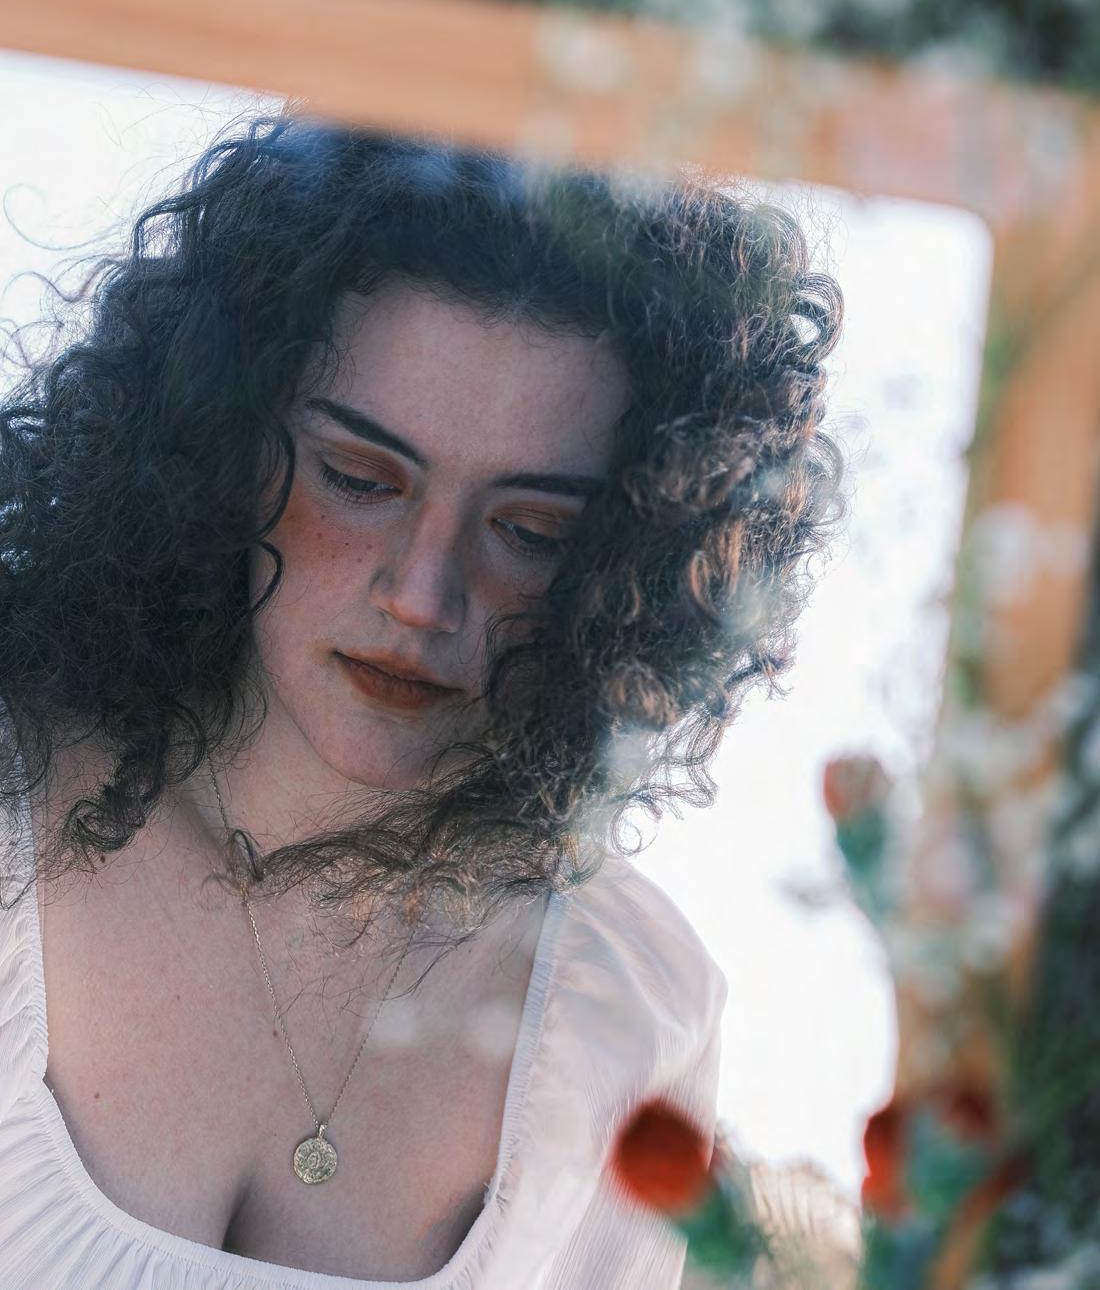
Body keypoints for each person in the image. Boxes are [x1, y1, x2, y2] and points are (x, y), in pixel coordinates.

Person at [0, 106, 845, 1288]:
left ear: (627, 564)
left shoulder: (625, 1007)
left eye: (530, 532)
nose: (422, 593)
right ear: (221, 441)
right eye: (360, 478)